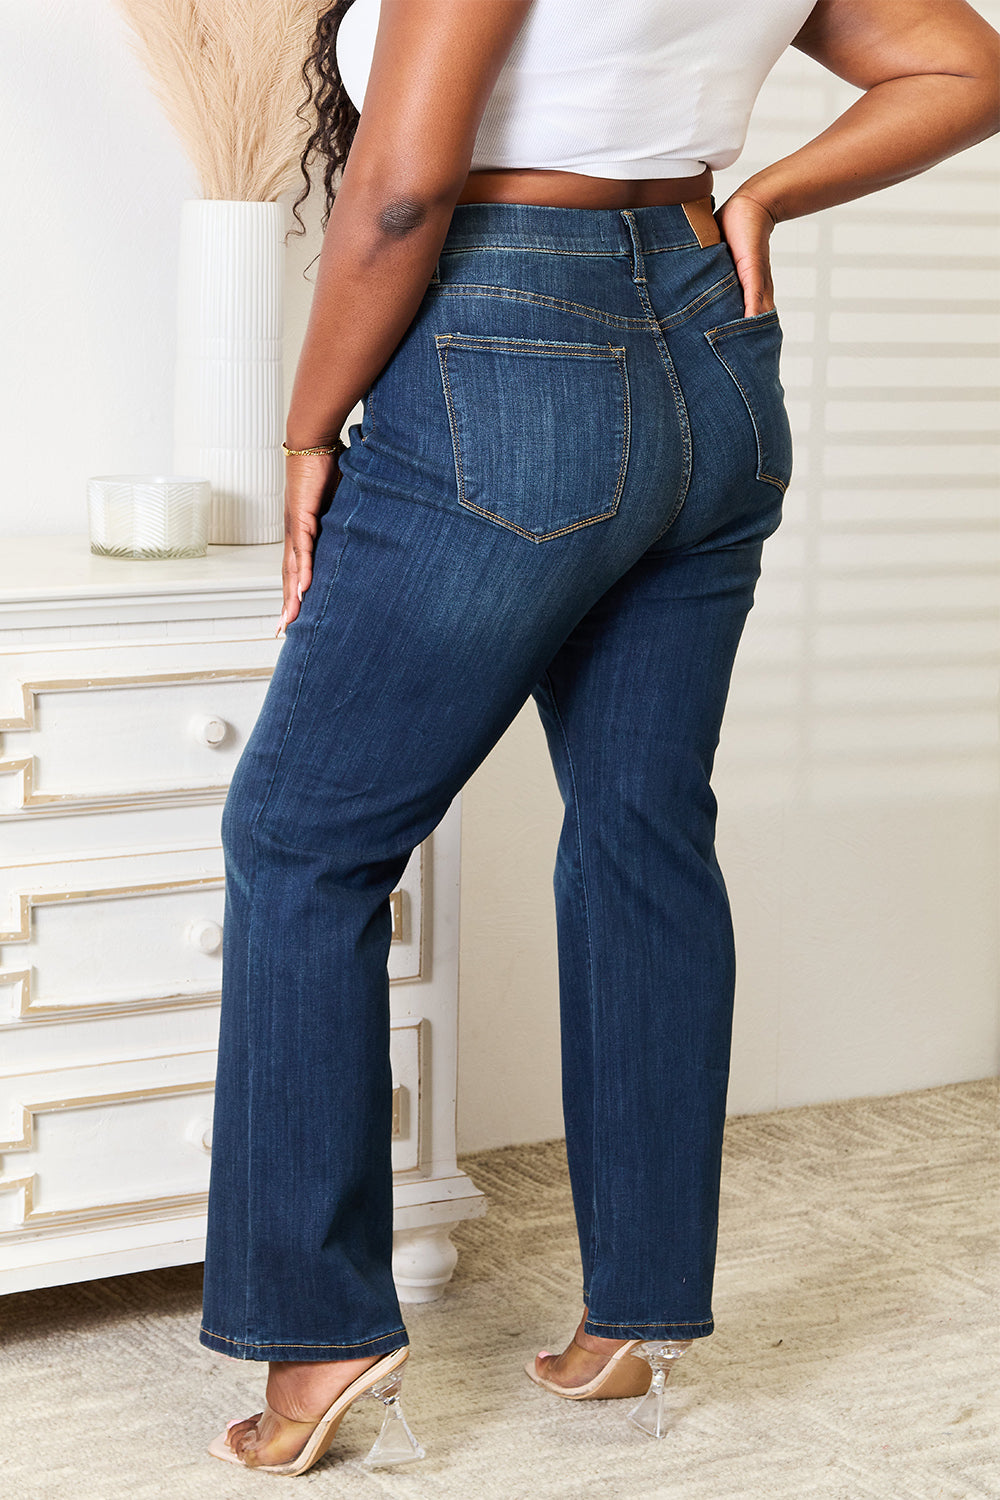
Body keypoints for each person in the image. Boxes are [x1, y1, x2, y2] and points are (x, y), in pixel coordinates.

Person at [200, 0, 999, 1476]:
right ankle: (635, 1317)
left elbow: (398, 189)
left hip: (508, 353)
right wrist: (757, 196)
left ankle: (318, 1335)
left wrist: (308, 425)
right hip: (715, 355)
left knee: (301, 842)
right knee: (640, 823)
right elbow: (963, 62)